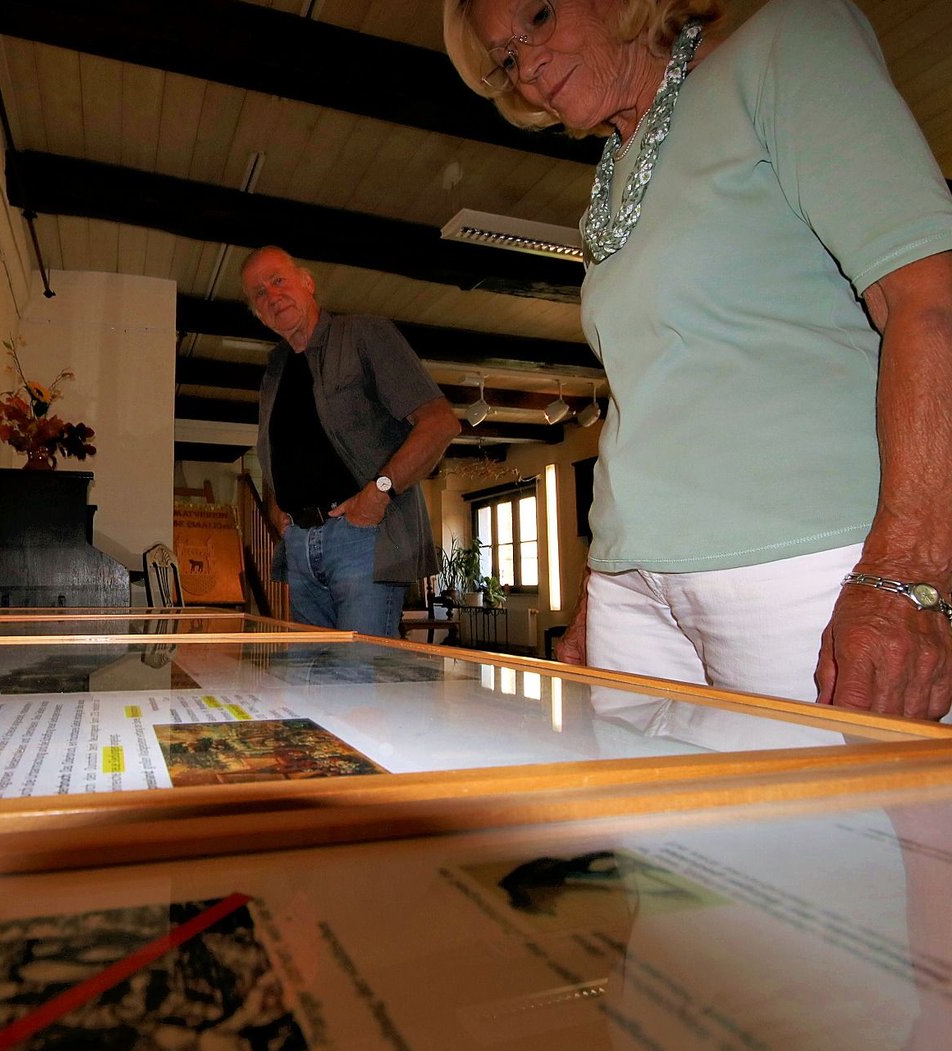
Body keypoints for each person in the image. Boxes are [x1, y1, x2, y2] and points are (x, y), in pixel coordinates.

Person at [444, 0, 952, 719]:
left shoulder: (785, 44)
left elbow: (928, 300)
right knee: (646, 835)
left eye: (540, 16)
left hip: (803, 568)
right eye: (506, 58)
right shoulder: (616, 171)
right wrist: (604, 576)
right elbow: (647, 391)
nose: (527, 67)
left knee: (826, 831)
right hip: (632, 590)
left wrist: (912, 570)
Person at [242, 246, 461, 636]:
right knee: (311, 683)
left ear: (307, 282)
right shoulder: (274, 369)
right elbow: (276, 451)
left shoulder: (364, 334)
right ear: (257, 313)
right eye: (259, 293)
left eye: (278, 280)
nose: (272, 296)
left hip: (361, 538)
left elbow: (440, 423)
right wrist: (280, 509)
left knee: (359, 679)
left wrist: (378, 494)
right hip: (300, 546)